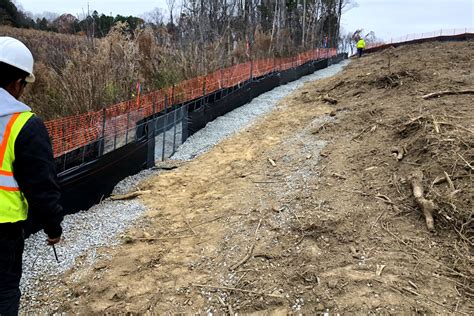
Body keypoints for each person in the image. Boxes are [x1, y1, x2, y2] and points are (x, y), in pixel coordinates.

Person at [0, 37, 63, 315]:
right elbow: (41, 186)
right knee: (3, 293)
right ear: (17, 83)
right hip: (3, 232)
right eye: (24, 84)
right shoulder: (23, 124)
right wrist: (53, 227)